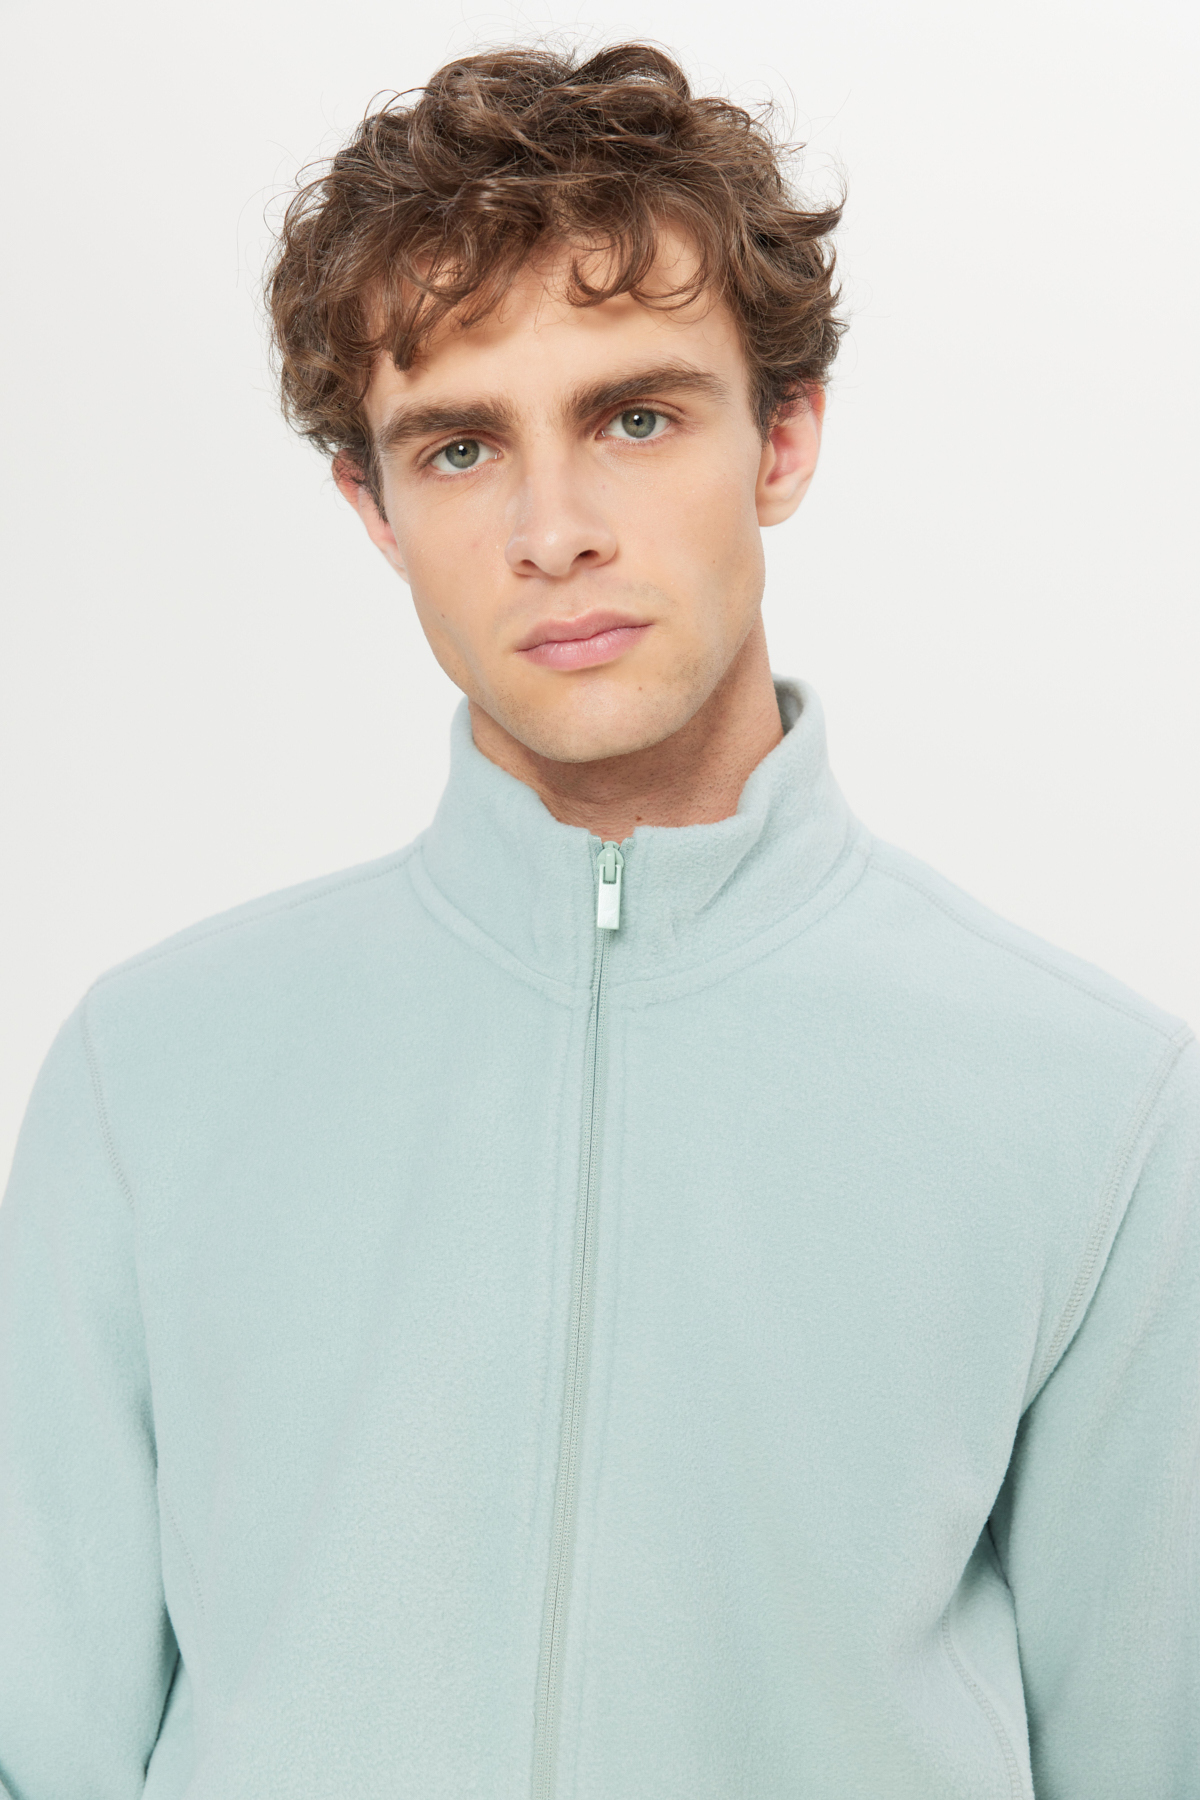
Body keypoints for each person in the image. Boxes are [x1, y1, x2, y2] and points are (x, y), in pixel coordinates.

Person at [0, 41, 1195, 1800]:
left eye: (636, 417)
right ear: (371, 507)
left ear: (783, 436)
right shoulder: (148, 1075)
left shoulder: (1095, 1108)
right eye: (460, 445)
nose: (552, 531)